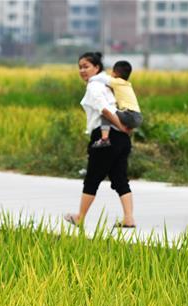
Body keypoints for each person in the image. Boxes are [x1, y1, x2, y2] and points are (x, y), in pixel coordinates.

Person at [65, 52, 136, 228]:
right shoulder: (110, 84)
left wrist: (120, 127)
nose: (82, 70)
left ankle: (80, 217)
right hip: (121, 139)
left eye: (86, 66)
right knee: (119, 178)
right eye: (80, 67)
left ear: (96, 68)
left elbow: (104, 110)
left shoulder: (94, 86)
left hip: (107, 137)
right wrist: (125, 130)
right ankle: (129, 218)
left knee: (92, 178)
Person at [92, 60, 143, 149]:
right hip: (138, 117)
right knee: (115, 115)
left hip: (130, 115)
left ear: (115, 73)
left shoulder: (117, 81)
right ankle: (126, 138)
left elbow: (102, 79)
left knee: (106, 112)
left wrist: (91, 78)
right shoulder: (127, 84)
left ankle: (104, 139)